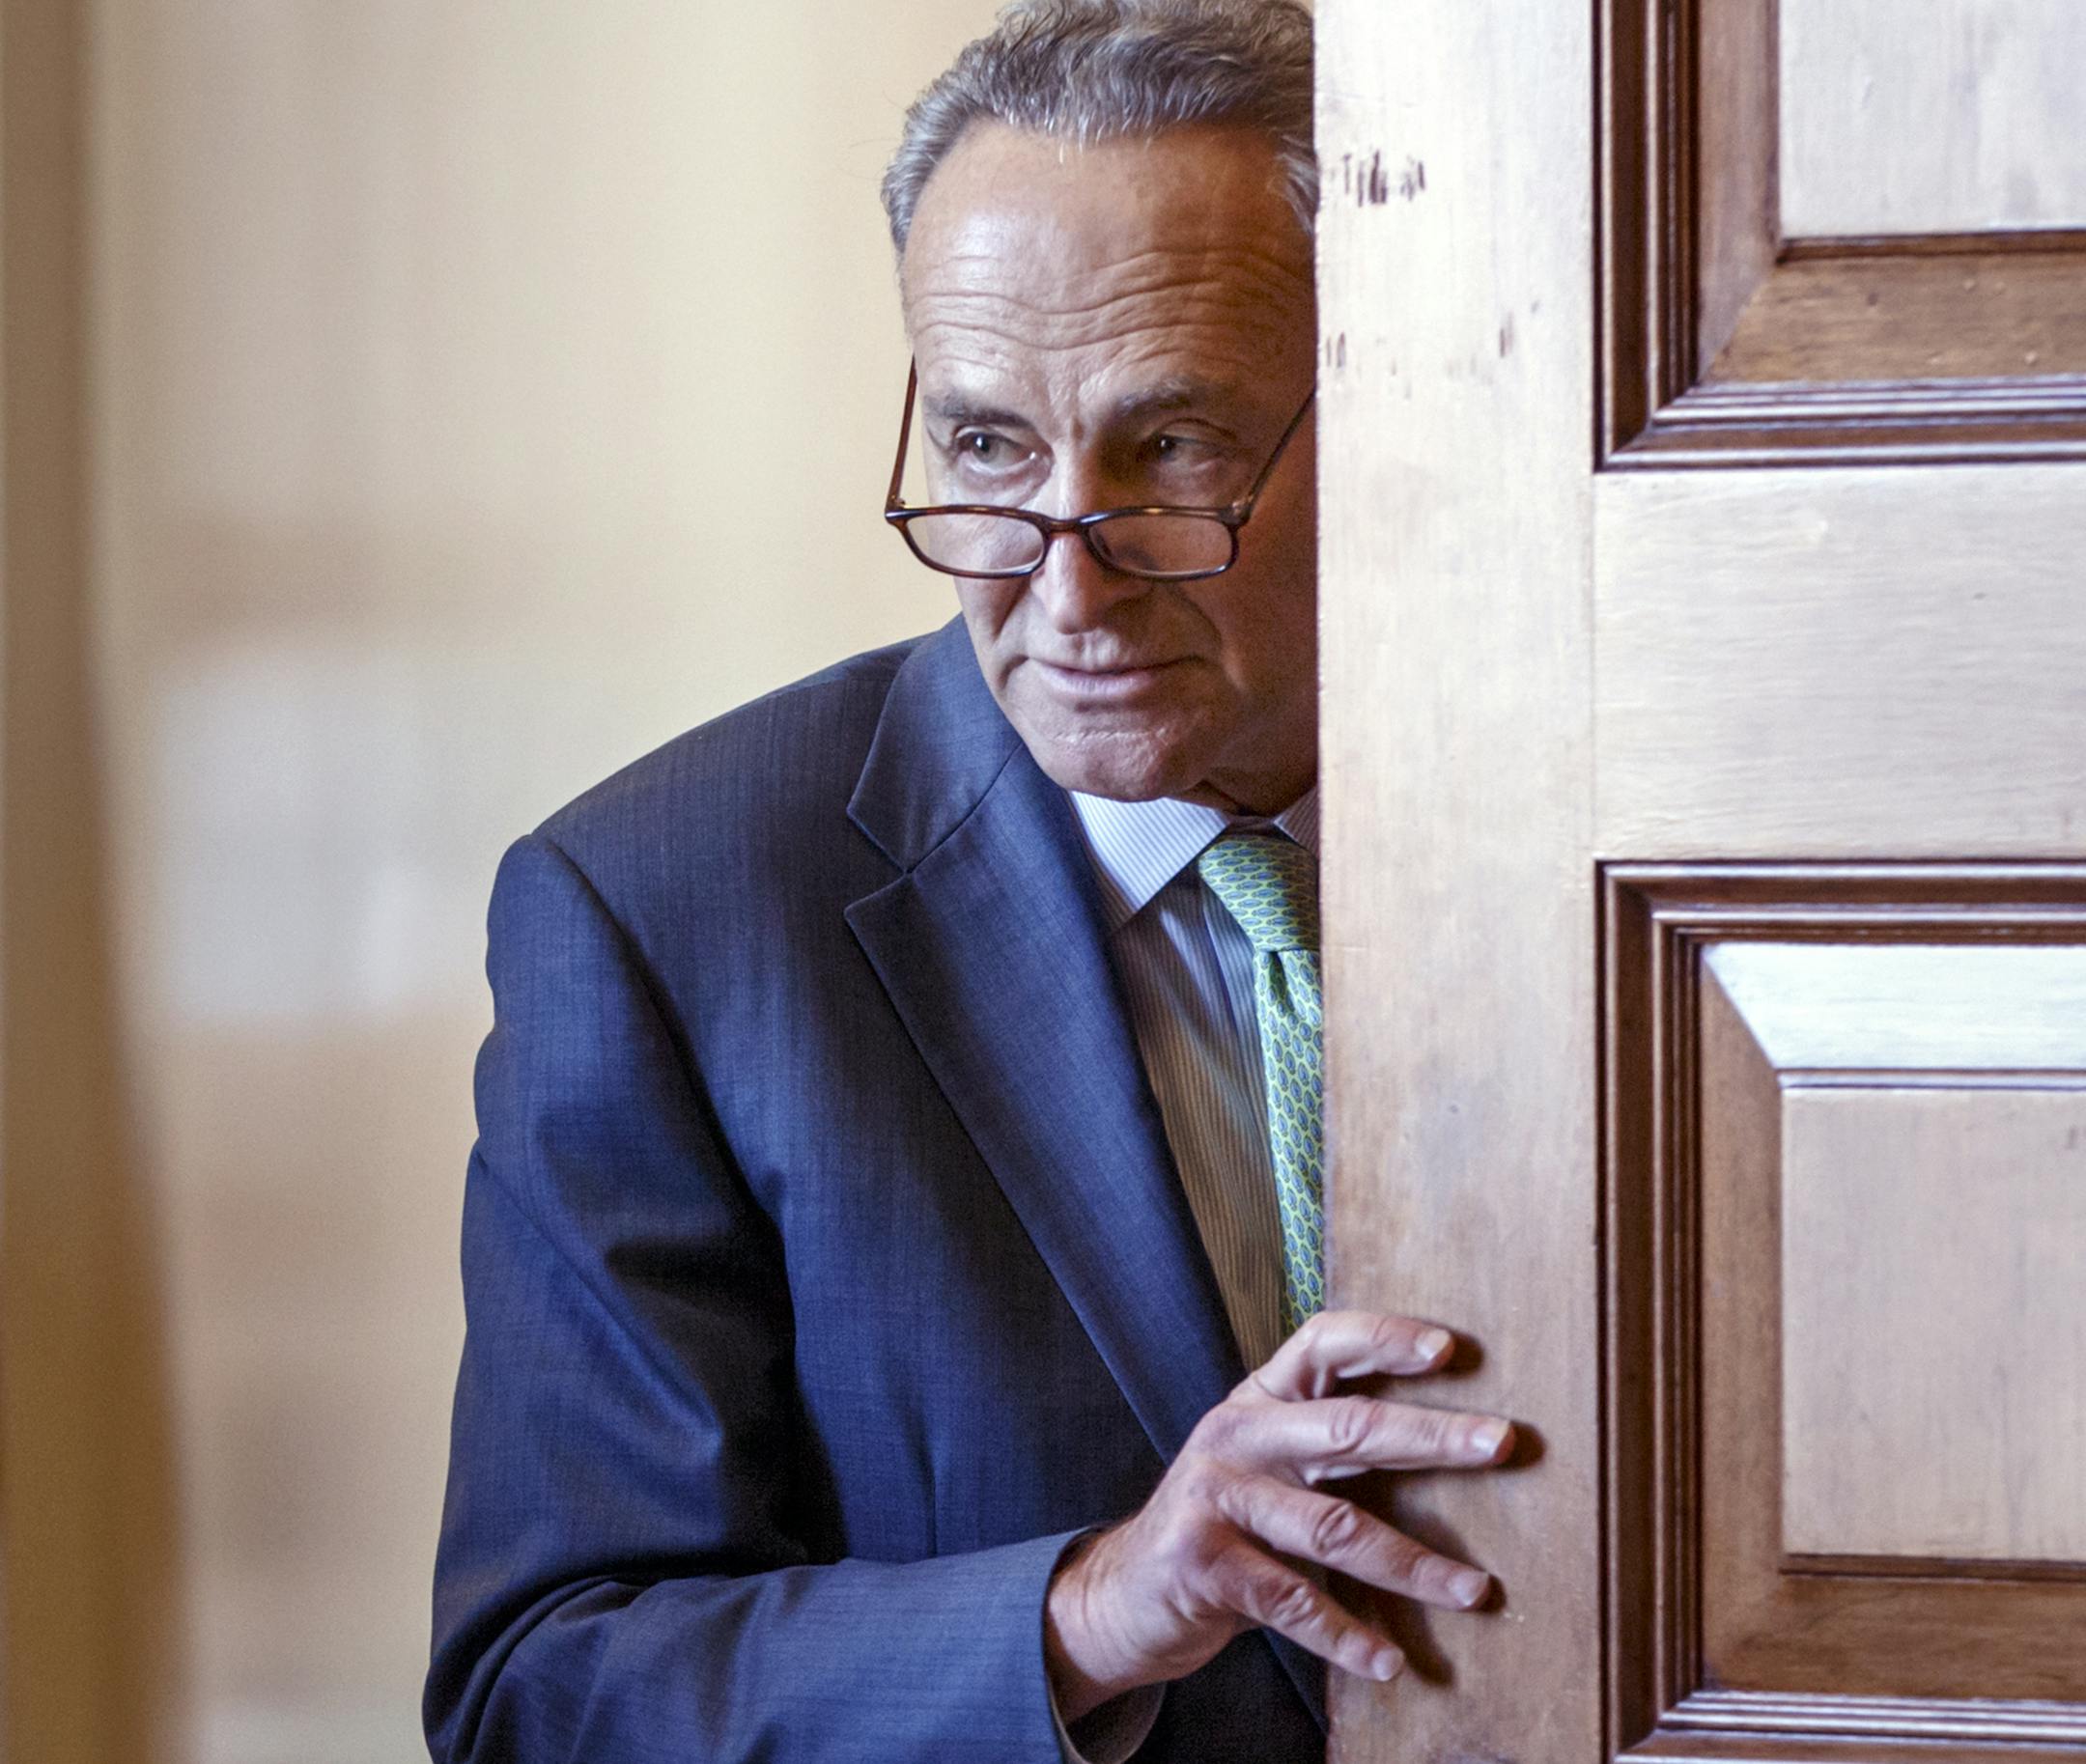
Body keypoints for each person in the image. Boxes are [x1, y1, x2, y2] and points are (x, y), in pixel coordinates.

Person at [425, 3, 1513, 1759]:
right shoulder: (663, 912)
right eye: (991, 451)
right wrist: (1092, 1612)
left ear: (1393, 390)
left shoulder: (1653, 838)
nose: (1065, 595)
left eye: (1173, 453)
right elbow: (544, 1692)